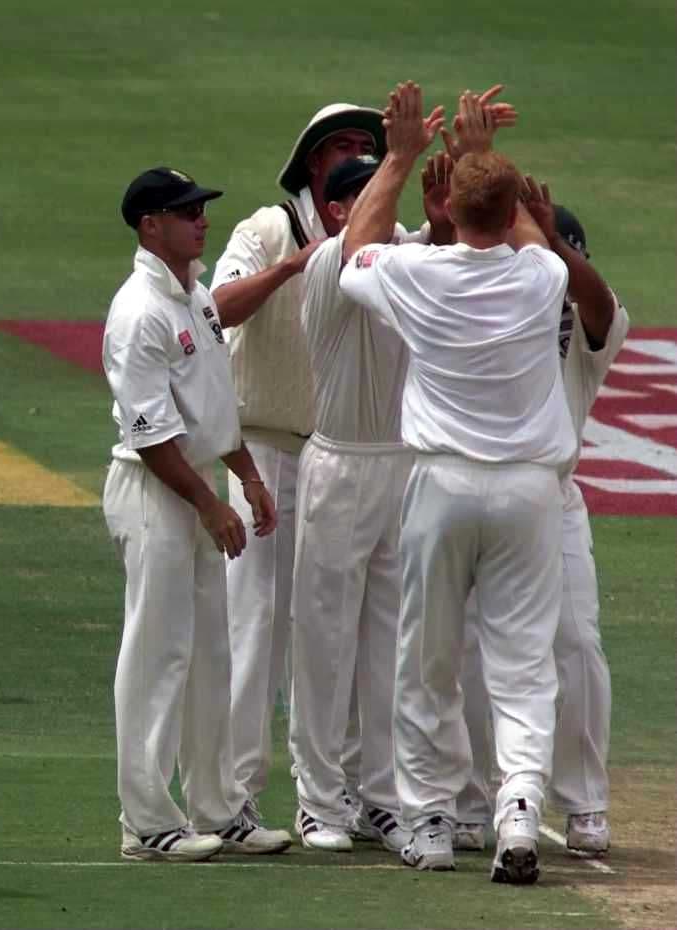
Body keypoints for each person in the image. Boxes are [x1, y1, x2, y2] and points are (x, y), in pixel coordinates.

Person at [339, 83, 575, 884]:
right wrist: (479, 157)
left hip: (441, 487)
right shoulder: (542, 279)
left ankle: (431, 822)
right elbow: (534, 231)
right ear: (511, 211)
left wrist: (401, 156)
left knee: (426, 657)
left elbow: (352, 254)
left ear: (459, 210)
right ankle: (516, 816)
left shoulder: (420, 275)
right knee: (522, 664)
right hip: (529, 494)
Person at [208, 101, 385, 838]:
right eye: (340, 146)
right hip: (264, 447)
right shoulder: (265, 228)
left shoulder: (385, 239)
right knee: (255, 626)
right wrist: (294, 265)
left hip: (340, 454)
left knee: (338, 626)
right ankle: (236, 796)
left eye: (365, 148)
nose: (353, 157)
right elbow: (216, 307)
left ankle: (346, 794)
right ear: (312, 161)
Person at [103, 167, 287, 862]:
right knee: (158, 653)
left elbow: (214, 402)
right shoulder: (139, 312)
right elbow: (150, 436)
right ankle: (146, 822)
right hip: (154, 494)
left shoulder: (197, 297)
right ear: (150, 225)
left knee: (211, 651)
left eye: (201, 209)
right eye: (186, 211)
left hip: (200, 485)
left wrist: (244, 475)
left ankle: (216, 807)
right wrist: (211, 504)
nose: (202, 219)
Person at [288, 140, 453, 854]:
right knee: (324, 642)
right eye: (373, 200)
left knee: (391, 645)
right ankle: (318, 799)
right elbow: (364, 244)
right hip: (339, 464)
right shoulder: (330, 263)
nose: (392, 217)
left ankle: (380, 796)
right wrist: (403, 159)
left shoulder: (403, 260)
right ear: (335, 208)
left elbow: (440, 242)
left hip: (401, 466)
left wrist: (443, 216)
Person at [455, 197, 629, 858]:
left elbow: (600, 306)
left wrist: (558, 248)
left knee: (577, 644)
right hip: (482, 492)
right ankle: (472, 801)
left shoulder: (592, 325)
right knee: (470, 650)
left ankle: (585, 803)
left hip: (553, 499)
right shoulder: (495, 308)